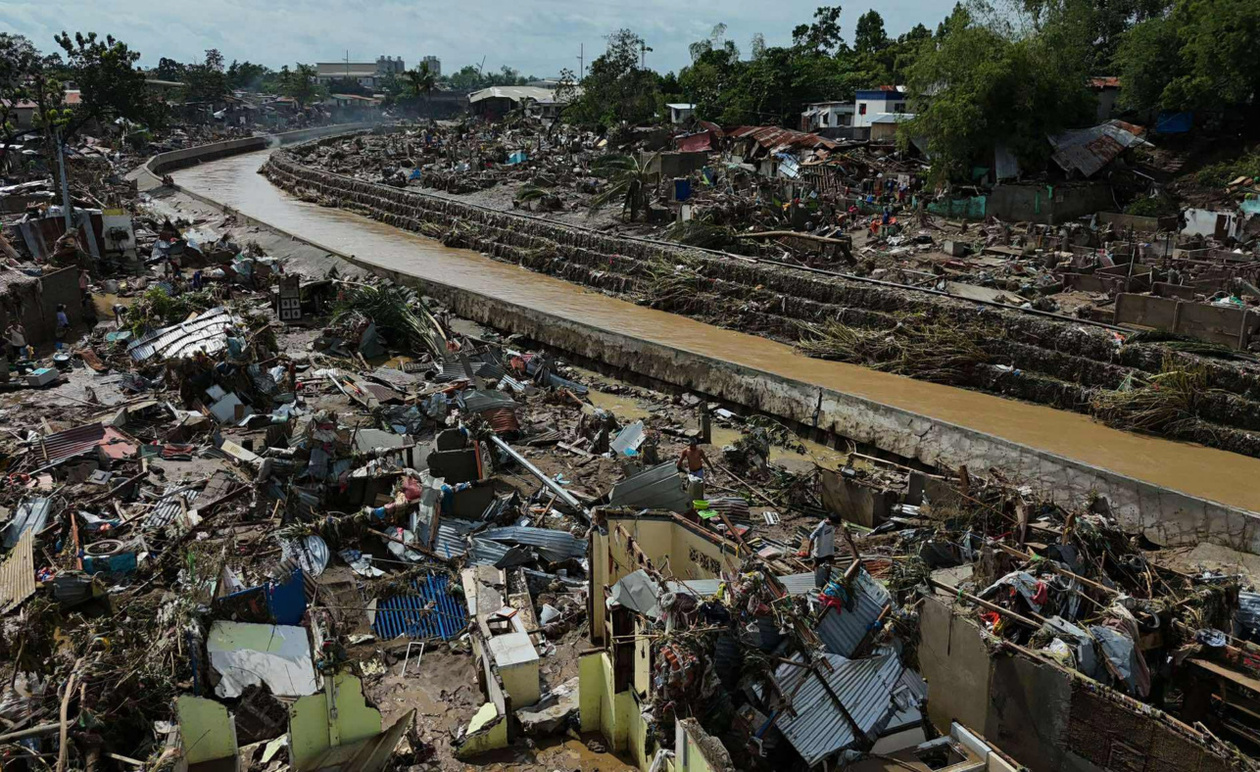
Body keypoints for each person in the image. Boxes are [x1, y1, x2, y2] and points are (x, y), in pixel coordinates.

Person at [807, 516, 839, 587]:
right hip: (820, 550)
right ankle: (813, 578)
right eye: (834, 523)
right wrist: (808, 549)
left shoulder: (831, 525)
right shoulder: (821, 526)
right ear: (831, 521)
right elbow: (812, 536)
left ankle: (828, 579)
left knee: (831, 563)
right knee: (816, 565)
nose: (835, 525)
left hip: (829, 548)